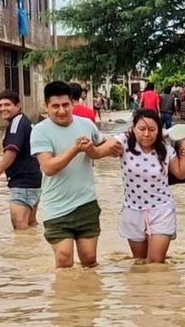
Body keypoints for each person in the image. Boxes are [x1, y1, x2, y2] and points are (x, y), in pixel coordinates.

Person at [30, 81, 122, 268]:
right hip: (56, 207)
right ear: (46, 107)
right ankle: (63, 296)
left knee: (89, 259)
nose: (62, 110)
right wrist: (76, 149)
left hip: (86, 203)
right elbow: (48, 167)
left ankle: (88, 296)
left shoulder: (86, 124)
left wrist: (102, 149)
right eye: (55, 106)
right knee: (64, 259)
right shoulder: (39, 131)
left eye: (65, 105)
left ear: (72, 103)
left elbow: (104, 147)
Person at [107, 109, 185, 263]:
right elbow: (109, 146)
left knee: (156, 263)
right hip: (132, 210)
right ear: (133, 128)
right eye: (142, 129)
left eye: (152, 130)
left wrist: (184, 147)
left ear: (159, 131)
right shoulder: (125, 143)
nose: (147, 134)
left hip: (161, 210)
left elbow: (180, 173)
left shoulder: (165, 149)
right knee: (139, 262)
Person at [0, 90, 42, 230]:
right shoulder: (23, 121)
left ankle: (24, 252)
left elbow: (11, 152)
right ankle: (35, 250)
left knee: (20, 226)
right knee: (31, 225)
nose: (3, 109)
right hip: (33, 180)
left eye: (7, 105)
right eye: (0, 105)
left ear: (18, 106)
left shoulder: (17, 123)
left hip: (23, 182)